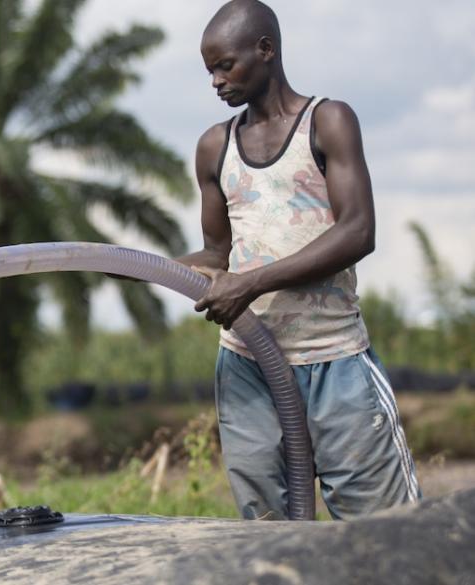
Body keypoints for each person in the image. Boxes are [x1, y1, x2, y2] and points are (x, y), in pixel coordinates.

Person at [177, 0, 420, 519]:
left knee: (386, 534)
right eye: (209, 71)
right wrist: (143, 266)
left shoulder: (327, 121)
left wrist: (251, 284)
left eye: (226, 65)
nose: (216, 81)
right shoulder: (214, 147)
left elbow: (357, 231)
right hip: (247, 366)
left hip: (333, 358)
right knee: (271, 536)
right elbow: (219, 254)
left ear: (266, 50)